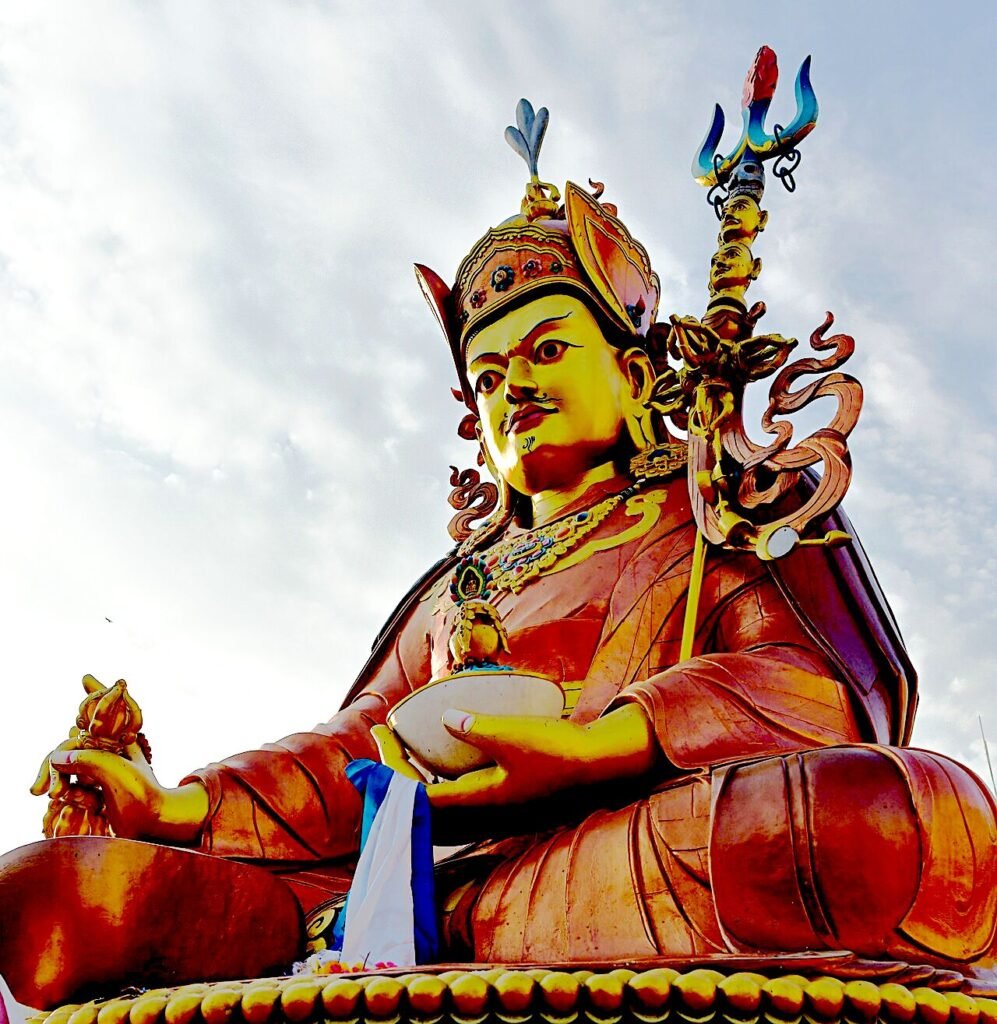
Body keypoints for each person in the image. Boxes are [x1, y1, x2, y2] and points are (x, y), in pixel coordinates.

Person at [9, 111, 997, 1003]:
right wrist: (180, 804)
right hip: (426, 869)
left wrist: (600, 745)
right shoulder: (455, 588)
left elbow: (822, 686)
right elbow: (357, 750)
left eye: (547, 351)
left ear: (636, 372)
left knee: (882, 819)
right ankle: (404, 929)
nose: (512, 387)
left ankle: (429, 938)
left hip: (632, 846)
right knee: (56, 891)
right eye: (487, 375)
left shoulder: (718, 502)